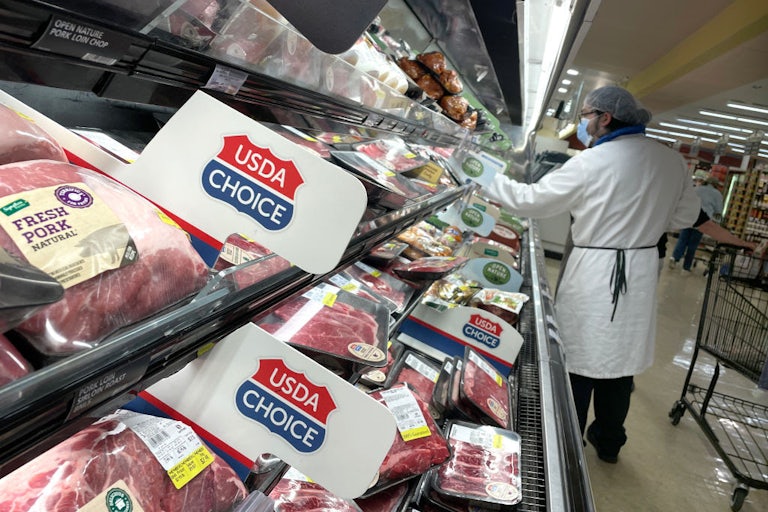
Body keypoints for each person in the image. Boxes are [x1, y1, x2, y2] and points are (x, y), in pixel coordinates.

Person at [481, 85, 701, 463]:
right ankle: (610, 441)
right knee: (621, 362)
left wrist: (480, 172)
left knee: (579, 360)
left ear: (605, 117)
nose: (581, 123)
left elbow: (528, 201)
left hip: (596, 270)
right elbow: (684, 217)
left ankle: (569, 448)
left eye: (585, 115)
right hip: (642, 268)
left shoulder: (593, 161)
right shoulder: (671, 161)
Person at [669, 176, 724, 272]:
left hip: (689, 217)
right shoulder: (717, 194)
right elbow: (718, 211)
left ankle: (674, 258)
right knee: (693, 244)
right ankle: (686, 266)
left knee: (683, 239)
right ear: (715, 185)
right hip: (702, 221)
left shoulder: (697, 189)